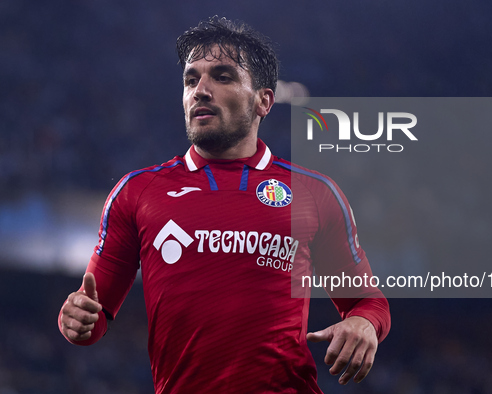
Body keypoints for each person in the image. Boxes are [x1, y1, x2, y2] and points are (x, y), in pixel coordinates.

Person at [58, 16, 390, 394]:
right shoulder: (137, 191)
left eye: (223, 76)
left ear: (264, 101)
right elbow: (91, 314)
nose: (200, 90)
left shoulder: (315, 193)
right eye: (190, 79)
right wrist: (76, 320)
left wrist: (365, 324)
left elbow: (367, 302)